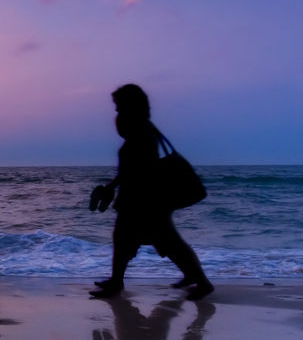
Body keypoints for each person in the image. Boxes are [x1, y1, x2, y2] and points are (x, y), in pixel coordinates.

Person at [91, 84, 214, 300]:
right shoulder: (142, 130)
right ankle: (118, 281)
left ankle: (202, 283)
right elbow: (129, 169)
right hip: (144, 198)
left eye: (119, 107)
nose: (117, 113)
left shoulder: (142, 134)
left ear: (131, 106)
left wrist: (115, 188)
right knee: (150, 240)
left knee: (164, 242)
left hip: (145, 200)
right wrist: (111, 187)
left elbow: (139, 170)